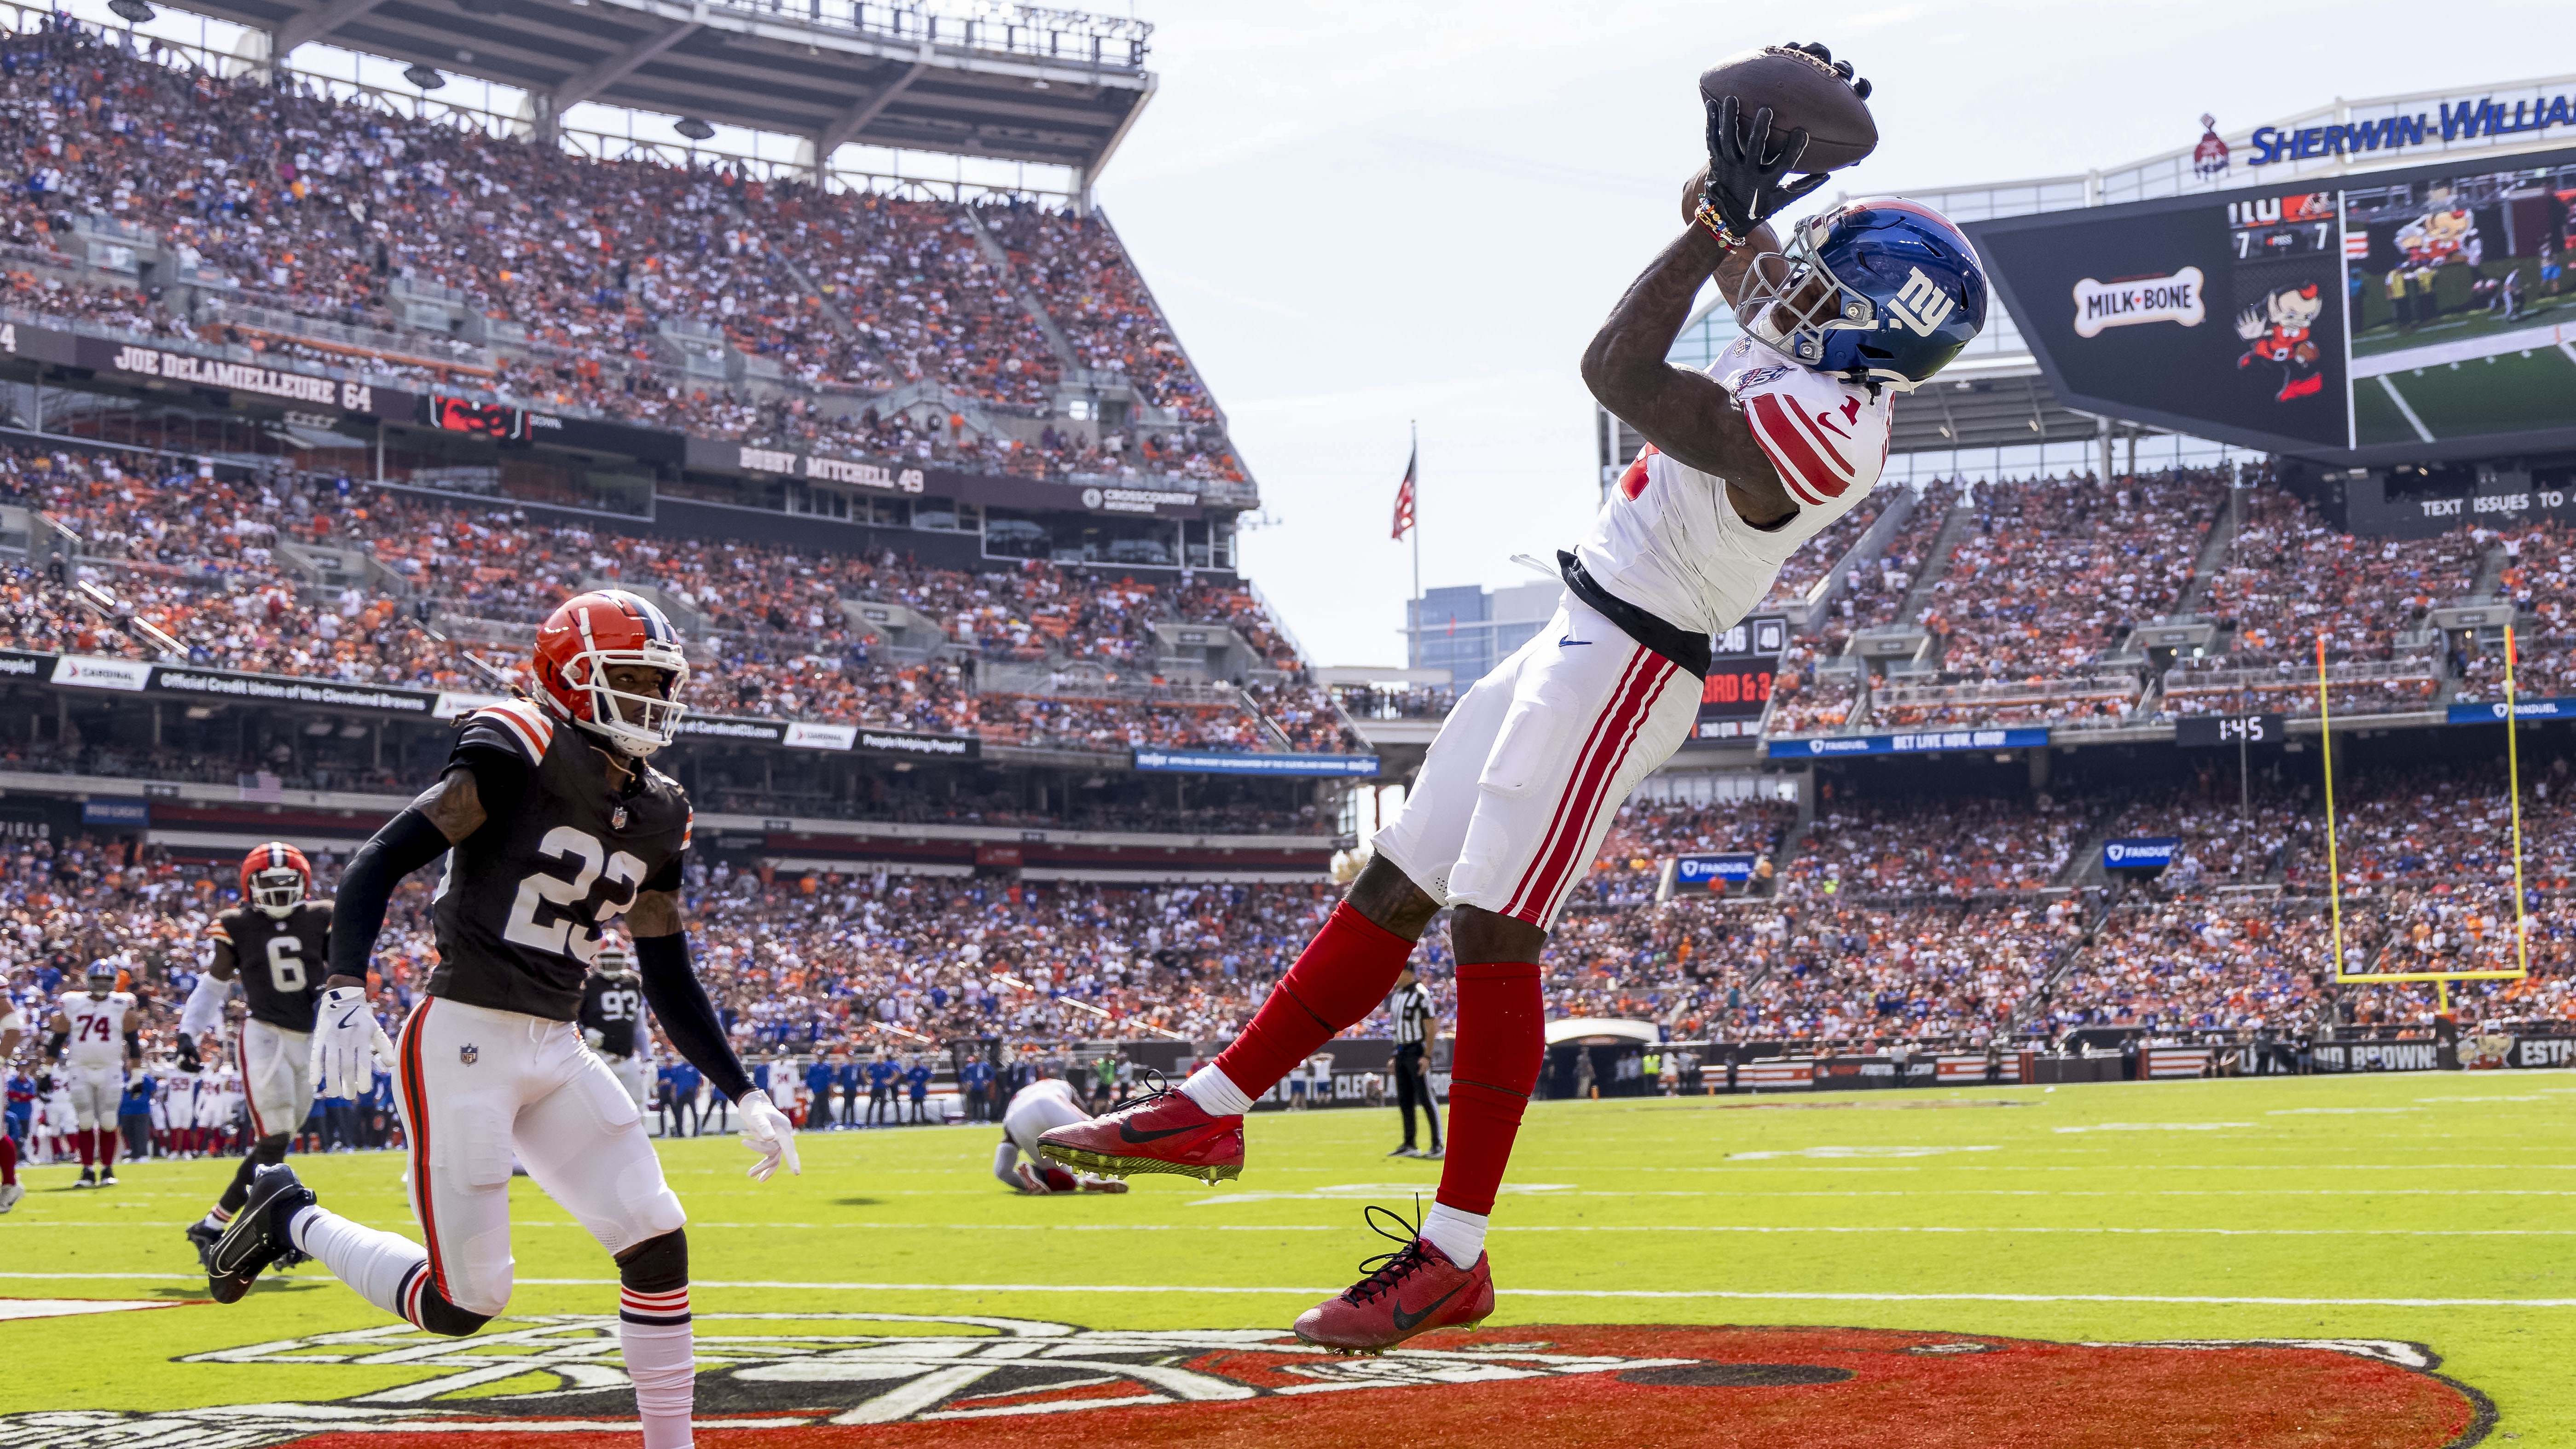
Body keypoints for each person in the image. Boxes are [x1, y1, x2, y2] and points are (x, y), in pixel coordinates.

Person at [1040, 48, 1984, 1353]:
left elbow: (1617, 368)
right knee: (1399, 874)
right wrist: (1742, 170)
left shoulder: (1836, 429)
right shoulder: (1817, 349)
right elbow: (1709, 230)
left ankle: (1453, 1252)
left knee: (1493, 915)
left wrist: (1724, 216)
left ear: (1877, 328)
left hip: (1632, 655)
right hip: (1578, 621)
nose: (1791, 285)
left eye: (1823, 282)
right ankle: (1210, 1105)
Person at [199, 589, 799, 1449]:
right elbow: (383, 856)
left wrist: (743, 1090)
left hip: (557, 1045)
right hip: (464, 1040)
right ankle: (288, 1212)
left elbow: (665, 965)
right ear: (567, 676)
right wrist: (344, 983)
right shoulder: (520, 742)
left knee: (656, 1236)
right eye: (628, 678)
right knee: (465, 1303)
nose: (649, 698)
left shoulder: (663, 809)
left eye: (657, 681)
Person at [180, 844, 333, 1263]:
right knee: (277, 1135)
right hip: (265, 1034)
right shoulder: (237, 924)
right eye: (270, 884)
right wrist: (188, 1032)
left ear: (303, 883)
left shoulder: (321, 917)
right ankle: (273, 1231)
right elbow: (214, 985)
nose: (280, 892)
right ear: (251, 887)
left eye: (287, 883)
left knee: (276, 1144)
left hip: (309, 1039)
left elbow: (343, 966)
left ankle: (212, 1226)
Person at [47, 961, 140, 1188]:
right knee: (85, 1120)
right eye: (97, 980)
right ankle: (87, 1171)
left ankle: (107, 1169)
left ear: (114, 982)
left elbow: (134, 1043)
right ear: (89, 980)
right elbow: (57, 1039)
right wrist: (46, 1071)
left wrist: (137, 1075)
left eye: (106, 980)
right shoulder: (73, 1002)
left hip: (111, 1068)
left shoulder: (122, 1004)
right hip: (80, 1068)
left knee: (109, 1120)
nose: (101, 985)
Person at [991, 1075, 1129, 1196]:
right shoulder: (1062, 1085)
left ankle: (1033, 1175)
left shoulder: (1018, 1099)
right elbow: (1082, 1109)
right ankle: (1096, 1176)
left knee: (1068, 1181)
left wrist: (1003, 1170)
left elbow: (1008, 1139)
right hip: (1050, 1104)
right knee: (1099, 1135)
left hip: (1018, 1121)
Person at [580, 939, 653, 1112]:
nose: (612, 961)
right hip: (597, 1056)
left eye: (616, 957)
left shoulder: (632, 982)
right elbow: (571, 1020)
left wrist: (647, 1057)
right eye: (608, 957)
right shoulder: (588, 984)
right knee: (596, 1109)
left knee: (637, 1108)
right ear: (598, 958)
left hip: (627, 1059)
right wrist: (584, 1033)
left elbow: (638, 1025)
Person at [1387, 965, 1443, 1159]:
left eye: (1398, 972)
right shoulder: (1397, 995)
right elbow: (1397, 1028)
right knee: (1405, 1100)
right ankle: (1409, 1144)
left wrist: (1427, 1056)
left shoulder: (1421, 994)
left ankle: (1437, 1145)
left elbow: (1431, 1027)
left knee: (1426, 1098)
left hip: (1417, 1051)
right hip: (1401, 1052)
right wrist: (1395, 1055)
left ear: (1408, 973)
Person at [904, 1055, 932, 1123]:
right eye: (915, 1061)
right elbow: (907, 1081)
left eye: (917, 1061)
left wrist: (926, 1083)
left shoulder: (924, 1070)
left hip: (921, 1091)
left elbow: (931, 1078)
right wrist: (911, 1083)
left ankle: (923, 1119)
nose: (916, 1063)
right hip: (914, 1091)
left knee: (922, 1106)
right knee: (913, 1107)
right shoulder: (911, 1070)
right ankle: (913, 1120)